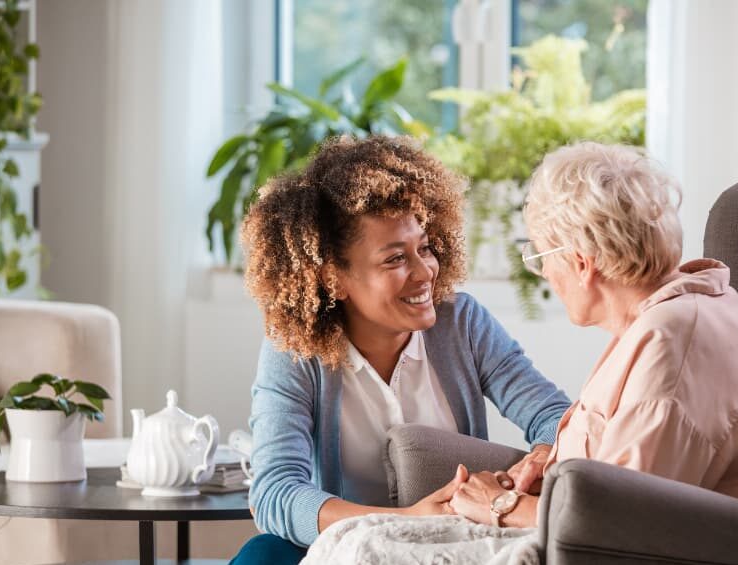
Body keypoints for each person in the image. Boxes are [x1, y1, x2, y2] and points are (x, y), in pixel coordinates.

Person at [229, 135, 572, 563]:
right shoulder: (295, 351)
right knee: (262, 554)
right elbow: (276, 492)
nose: (425, 271)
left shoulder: (462, 323)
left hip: (452, 543)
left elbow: (555, 417)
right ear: (332, 278)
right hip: (344, 546)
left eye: (424, 248)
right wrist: (402, 519)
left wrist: (538, 461)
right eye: (394, 259)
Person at [448, 141, 738, 529]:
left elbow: (622, 522)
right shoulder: (676, 313)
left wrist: (502, 506)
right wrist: (552, 463)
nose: (546, 275)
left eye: (540, 257)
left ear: (581, 262)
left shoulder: (673, 343)